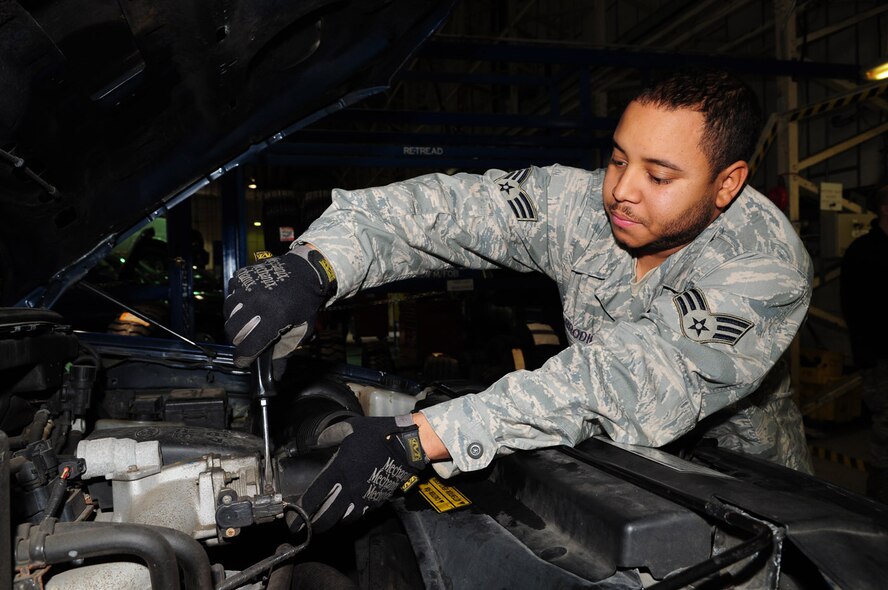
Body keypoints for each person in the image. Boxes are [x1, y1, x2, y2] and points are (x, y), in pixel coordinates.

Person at [224, 67, 814, 533]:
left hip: (746, 507)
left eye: (658, 177)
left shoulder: (764, 267)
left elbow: (630, 380)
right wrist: (317, 264)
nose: (621, 191)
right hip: (604, 470)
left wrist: (421, 437)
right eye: (616, 157)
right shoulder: (584, 207)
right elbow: (451, 211)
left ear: (728, 183)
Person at [840, 187, 888, 503]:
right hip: (882, 361)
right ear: (884, 208)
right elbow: (855, 310)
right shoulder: (863, 252)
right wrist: (868, 358)